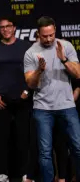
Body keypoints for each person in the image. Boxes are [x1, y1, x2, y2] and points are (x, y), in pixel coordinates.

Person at [24, 16, 80, 182]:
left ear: (55, 30)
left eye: (51, 35)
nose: (48, 39)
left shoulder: (66, 46)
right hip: (43, 109)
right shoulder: (31, 53)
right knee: (45, 153)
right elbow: (31, 84)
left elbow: (77, 74)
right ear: (38, 34)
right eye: (44, 36)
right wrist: (39, 71)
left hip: (67, 106)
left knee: (78, 147)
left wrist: (63, 59)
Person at [0, 16, 32, 182]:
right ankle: (2, 173)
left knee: (23, 138)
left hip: (22, 99)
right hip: (1, 101)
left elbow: (32, 71)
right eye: (2, 27)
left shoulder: (26, 47)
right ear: (0, 30)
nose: (5, 29)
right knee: (1, 140)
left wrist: (27, 91)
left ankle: (26, 173)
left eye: (8, 26)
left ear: (14, 28)